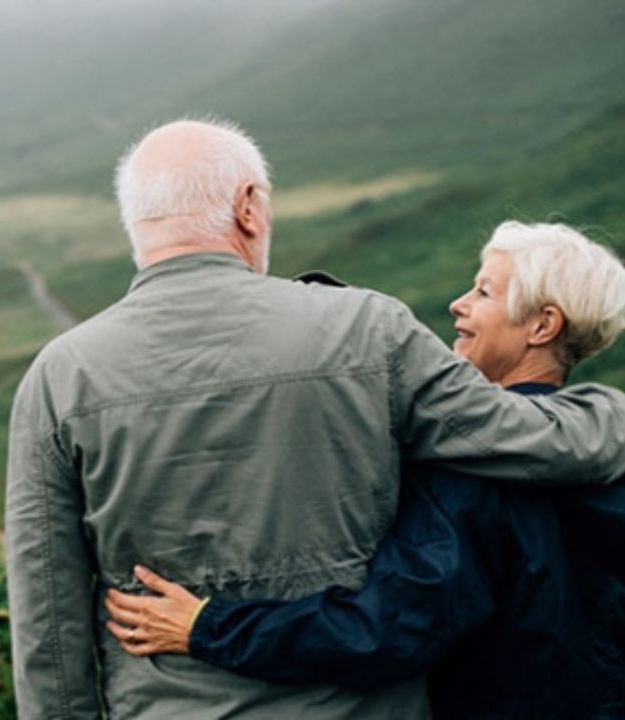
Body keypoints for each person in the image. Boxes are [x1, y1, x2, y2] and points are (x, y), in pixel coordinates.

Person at [5, 118, 625, 719]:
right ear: (248, 207)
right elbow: (530, 437)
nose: (461, 304)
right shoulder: (368, 330)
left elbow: (47, 623)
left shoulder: (58, 377)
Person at [103, 221, 625, 716]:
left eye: (484, 293)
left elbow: (388, 630)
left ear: (543, 325)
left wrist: (207, 626)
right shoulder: (609, 452)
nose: (458, 305)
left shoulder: (470, 472)